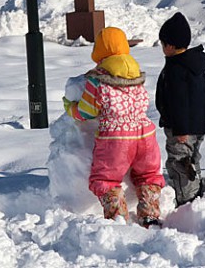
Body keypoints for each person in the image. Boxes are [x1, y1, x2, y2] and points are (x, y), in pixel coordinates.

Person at [63, 27, 165, 227]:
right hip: (145, 134)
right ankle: (150, 213)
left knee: (106, 179)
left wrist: (70, 108)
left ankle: (117, 217)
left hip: (116, 138)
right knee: (148, 175)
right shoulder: (135, 73)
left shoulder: (97, 79)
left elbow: (87, 112)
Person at [155, 12, 205, 207]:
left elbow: (178, 101)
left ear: (170, 45)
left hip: (181, 129)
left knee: (179, 163)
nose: (162, 48)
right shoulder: (195, 67)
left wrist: (180, 130)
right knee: (192, 160)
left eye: (163, 44)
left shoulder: (176, 70)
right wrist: (202, 121)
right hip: (197, 126)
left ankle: (186, 203)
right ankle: (195, 193)